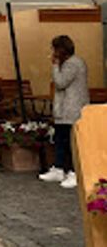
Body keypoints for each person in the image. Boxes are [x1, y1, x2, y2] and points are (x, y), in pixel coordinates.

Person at [39, 35, 89, 189]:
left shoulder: (73, 64)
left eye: (54, 49)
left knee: (71, 142)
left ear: (61, 49)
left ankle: (74, 173)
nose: (52, 52)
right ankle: (59, 169)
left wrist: (55, 65)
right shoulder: (68, 63)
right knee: (61, 140)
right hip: (65, 109)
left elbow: (60, 82)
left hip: (72, 108)